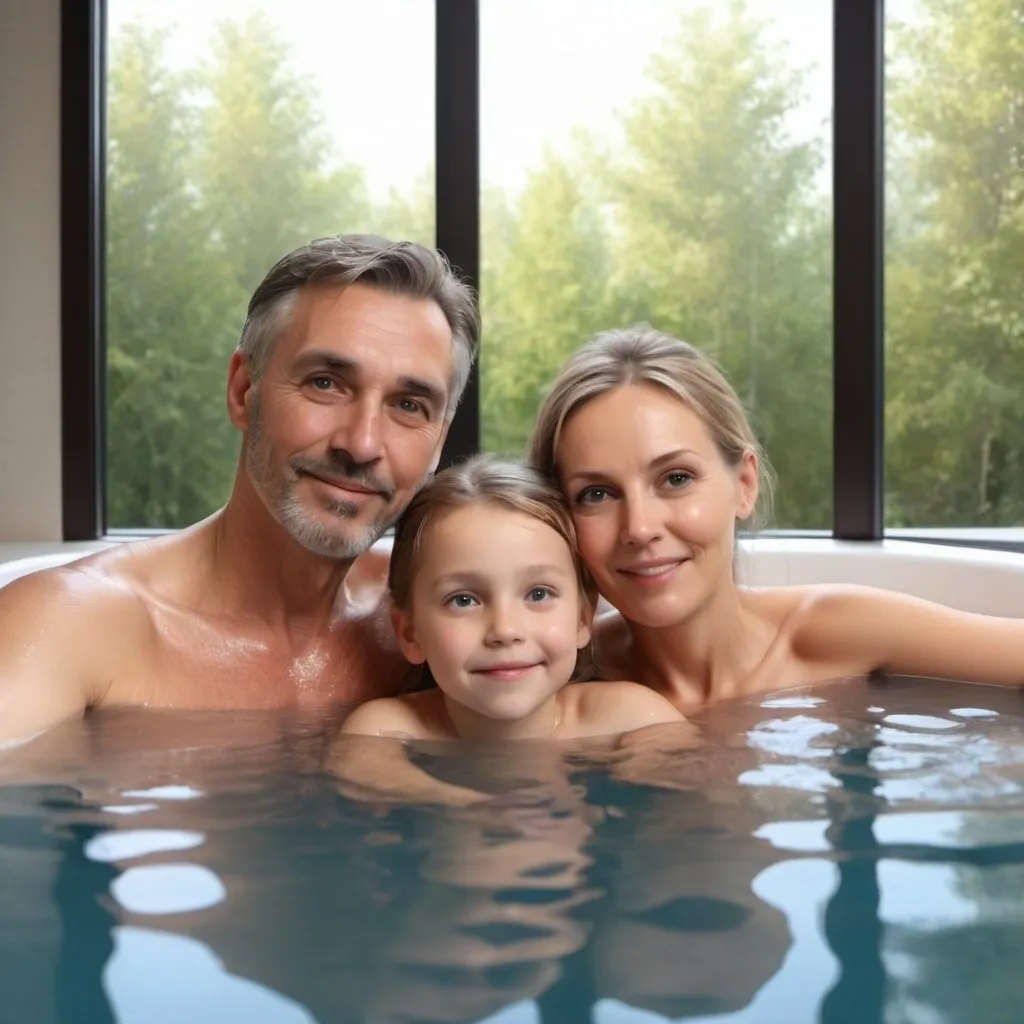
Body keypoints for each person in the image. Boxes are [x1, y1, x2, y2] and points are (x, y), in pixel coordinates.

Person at [0, 234, 480, 745]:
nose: (361, 445)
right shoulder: (75, 627)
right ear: (242, 391)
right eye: (325, 383)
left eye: (409, 405)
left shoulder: (439, 621)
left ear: (438, 444)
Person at [528, 324, 1024, 711]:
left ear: (744, 484)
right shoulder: (552, 675)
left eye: (676, 478)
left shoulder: (832, 634)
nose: (639, 527)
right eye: (596, 493)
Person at [332, 457, 685, 802]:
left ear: (582, 618)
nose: (505, 630)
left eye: (538, 593)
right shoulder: (386, 729)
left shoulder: (632, 719)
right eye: (463, 600)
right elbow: (365, 773)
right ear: (410, 632)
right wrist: (475, 805)